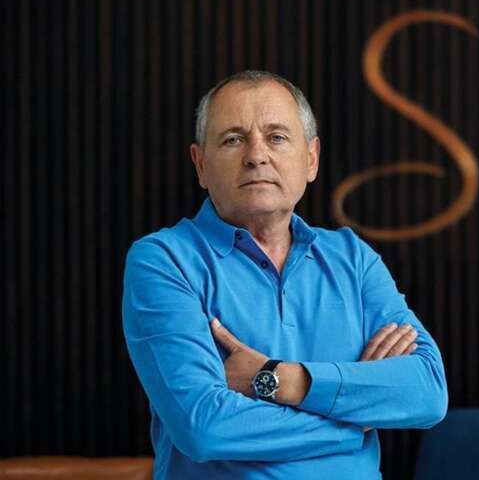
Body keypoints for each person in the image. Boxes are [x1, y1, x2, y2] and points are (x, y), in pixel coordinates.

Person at [122, 70, 448, 479]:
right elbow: (204, 427)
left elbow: (428, 391)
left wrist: (276, 378)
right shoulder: (164, 260)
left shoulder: (353, 259)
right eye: (233, 139)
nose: (256, 156)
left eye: (276, 137)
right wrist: (353, 421)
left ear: (311, 159)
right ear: (200, 164)